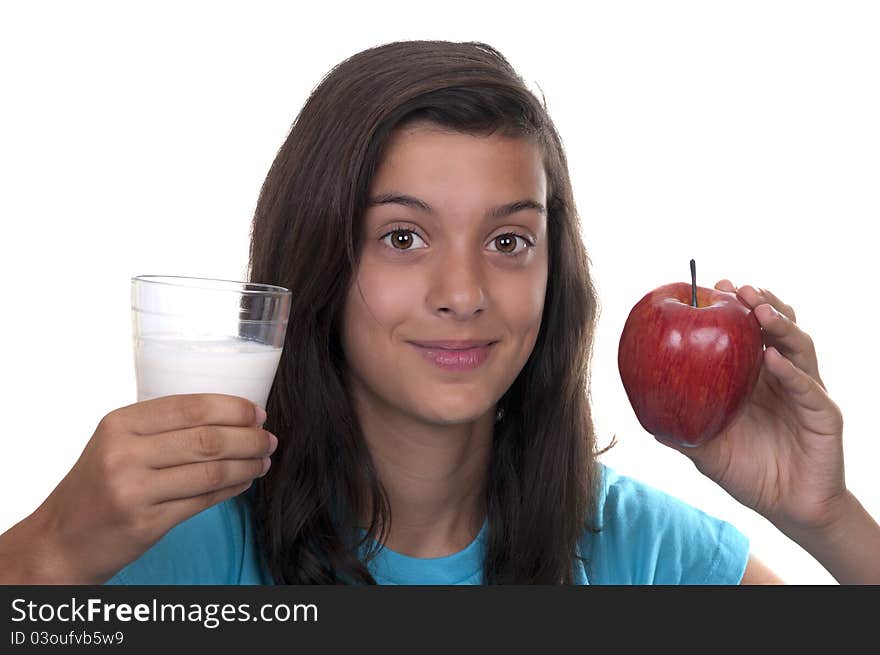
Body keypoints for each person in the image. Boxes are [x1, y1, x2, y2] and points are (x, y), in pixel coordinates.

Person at [1, 40, 878, 585]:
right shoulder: (180, 543)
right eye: (403, 237)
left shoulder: (640, 551)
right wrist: (47, 552)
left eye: (507, 243)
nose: (462, 295)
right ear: (318, 260)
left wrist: (826, 517)